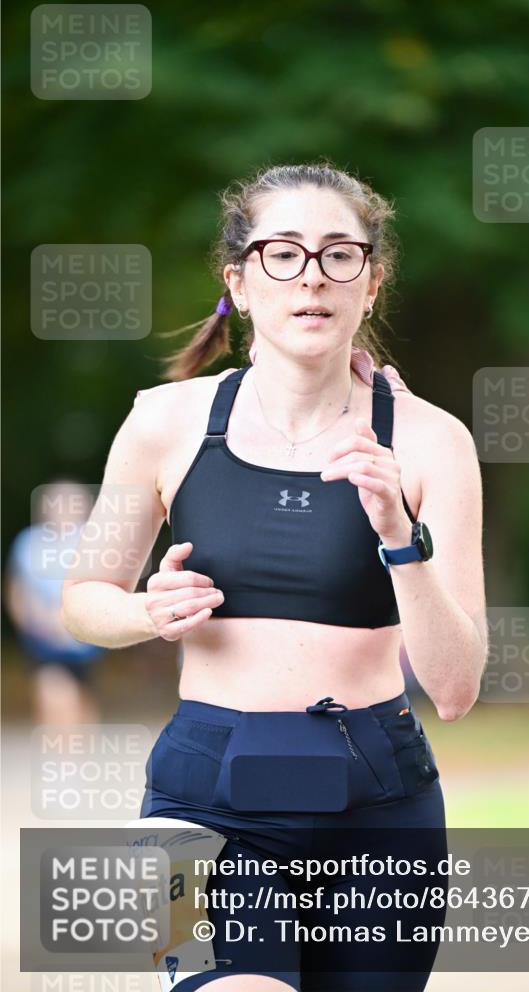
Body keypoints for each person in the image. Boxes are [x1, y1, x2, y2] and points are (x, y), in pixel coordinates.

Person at [62, 161, 487, 991]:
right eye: (283, 254)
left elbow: (458, 685)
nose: (313, 277)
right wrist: (148, 612)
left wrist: (400, 538)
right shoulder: (164, 422)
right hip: (201, 796)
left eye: (340, 255)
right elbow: (84, 603)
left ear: (371, 284)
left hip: (380, 805)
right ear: (241, 282)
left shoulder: (433, 444)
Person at [5, 480, 103, 724]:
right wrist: (33, 624)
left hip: (85, 639)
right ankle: (59, 757)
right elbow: (15, 590)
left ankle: (79, 756)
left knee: (82, 701)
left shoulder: (95, 541)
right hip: (43, 639)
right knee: (53, 693)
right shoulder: (28, 542)